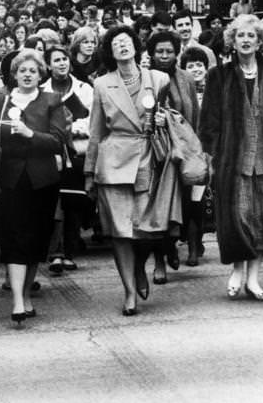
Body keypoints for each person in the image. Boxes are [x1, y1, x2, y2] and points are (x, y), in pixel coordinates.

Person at [199, 14, 263, 300]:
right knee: (237, 216)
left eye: (251, 36)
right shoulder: (219, 75)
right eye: (240, 35)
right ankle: (237, 270)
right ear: (232, 40)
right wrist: (210, 156)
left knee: (262, 219)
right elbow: (209, 122)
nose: (245, 40)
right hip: (233, 159)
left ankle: (253, 278)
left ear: (259, 41)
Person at [85, 26, 171, 316]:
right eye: (115, 44)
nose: (122, 46)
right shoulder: (101, 84)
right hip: (114, 164)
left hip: (148, 159)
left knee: (148, 229)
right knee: (121, 232)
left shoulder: (159, 79)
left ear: (136, 46)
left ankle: (138, 267)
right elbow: (95, 132)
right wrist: (89, 173)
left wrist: (163, 120)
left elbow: (173, 118)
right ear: (109, 53)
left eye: (126, 41)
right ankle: (129, 292)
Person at [0, 49, 66, 325]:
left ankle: (27, 292)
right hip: (10, 180)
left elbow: (58, 141)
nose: (27, 75)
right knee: (14, 237)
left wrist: (31, 134)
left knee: (36, 239)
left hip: (43, 180)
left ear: (41, 75)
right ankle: (17, 301)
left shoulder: (52, 100)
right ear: (14, 74)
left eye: (33, 71)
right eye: (22, 70)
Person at [144, 31, 200, 282]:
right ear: (151, 53)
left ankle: (172, 244)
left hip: (182, 152)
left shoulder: (186, 78)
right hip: (154, 153)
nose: (164, 56)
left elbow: (194, 115)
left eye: (169, 51)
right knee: (159, 207)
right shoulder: (146, 78)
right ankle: (160, 260)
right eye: (159, 51)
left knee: (184, 206)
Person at [41, 45, 94, 276]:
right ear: (48, 65)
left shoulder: (84, 88)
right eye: (56, 60)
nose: (61, 63)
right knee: (54, 201)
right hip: (51, 152)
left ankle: (69, 250)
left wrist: (72, 127)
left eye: (64, 59)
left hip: (77, 151)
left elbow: (92, 120)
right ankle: (56, 252)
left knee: (73, 201)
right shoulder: (41, 90)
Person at [180, 47, 212, 265]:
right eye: (190, 66)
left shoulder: (213, 90)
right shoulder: (182, 93)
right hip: (184, 151)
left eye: (199, 65)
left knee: (197, 200)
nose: (195, 69)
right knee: (184, 200)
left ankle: (194, 243)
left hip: (205, 154)